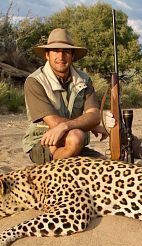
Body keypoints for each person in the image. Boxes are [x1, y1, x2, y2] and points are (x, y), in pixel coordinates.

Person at [22, 28, 107, 164]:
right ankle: (54, 175)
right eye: (55, 51)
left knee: (106, 165)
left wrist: (68, 126)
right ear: (47, 55)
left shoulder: (84, 80)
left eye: (66, 52)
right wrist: (87, 125)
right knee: (76, 137)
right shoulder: (35, 81)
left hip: (74, 142)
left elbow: (95, 116)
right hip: (43, 143)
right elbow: (54, 123)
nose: (60, 57)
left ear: (72, 55)